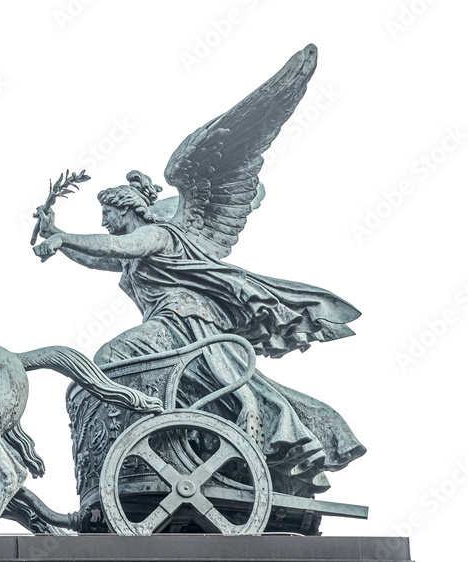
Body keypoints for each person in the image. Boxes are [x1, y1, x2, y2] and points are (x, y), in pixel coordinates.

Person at [33, 172, 365, 496]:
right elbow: (95, 257)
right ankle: (172, 434)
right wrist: (56, 233)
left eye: (107, 212)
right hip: (171, 323)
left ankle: (152, 433)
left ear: (125, 209)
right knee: (142, 370)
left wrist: (62, 237)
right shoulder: (131, 255)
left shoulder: (155, 235)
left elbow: (110, 247)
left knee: (112, 357)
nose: (104, 220)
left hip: (183, 320)